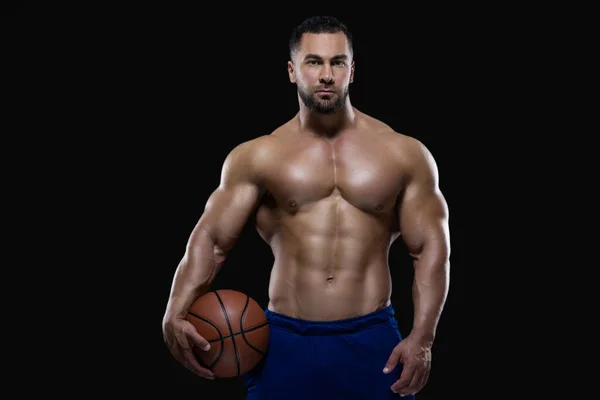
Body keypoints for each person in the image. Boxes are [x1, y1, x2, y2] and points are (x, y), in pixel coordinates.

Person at [162, 15, 450, 399]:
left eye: (338, 62)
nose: (326, 75)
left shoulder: (403, 154)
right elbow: (212, 240)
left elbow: (429, 248)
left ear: (352, 70)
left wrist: (423, 336)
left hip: (371, 338)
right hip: (284, 340)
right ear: (292, 71)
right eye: (314, 62)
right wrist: (174, 310)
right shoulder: (258, 156)